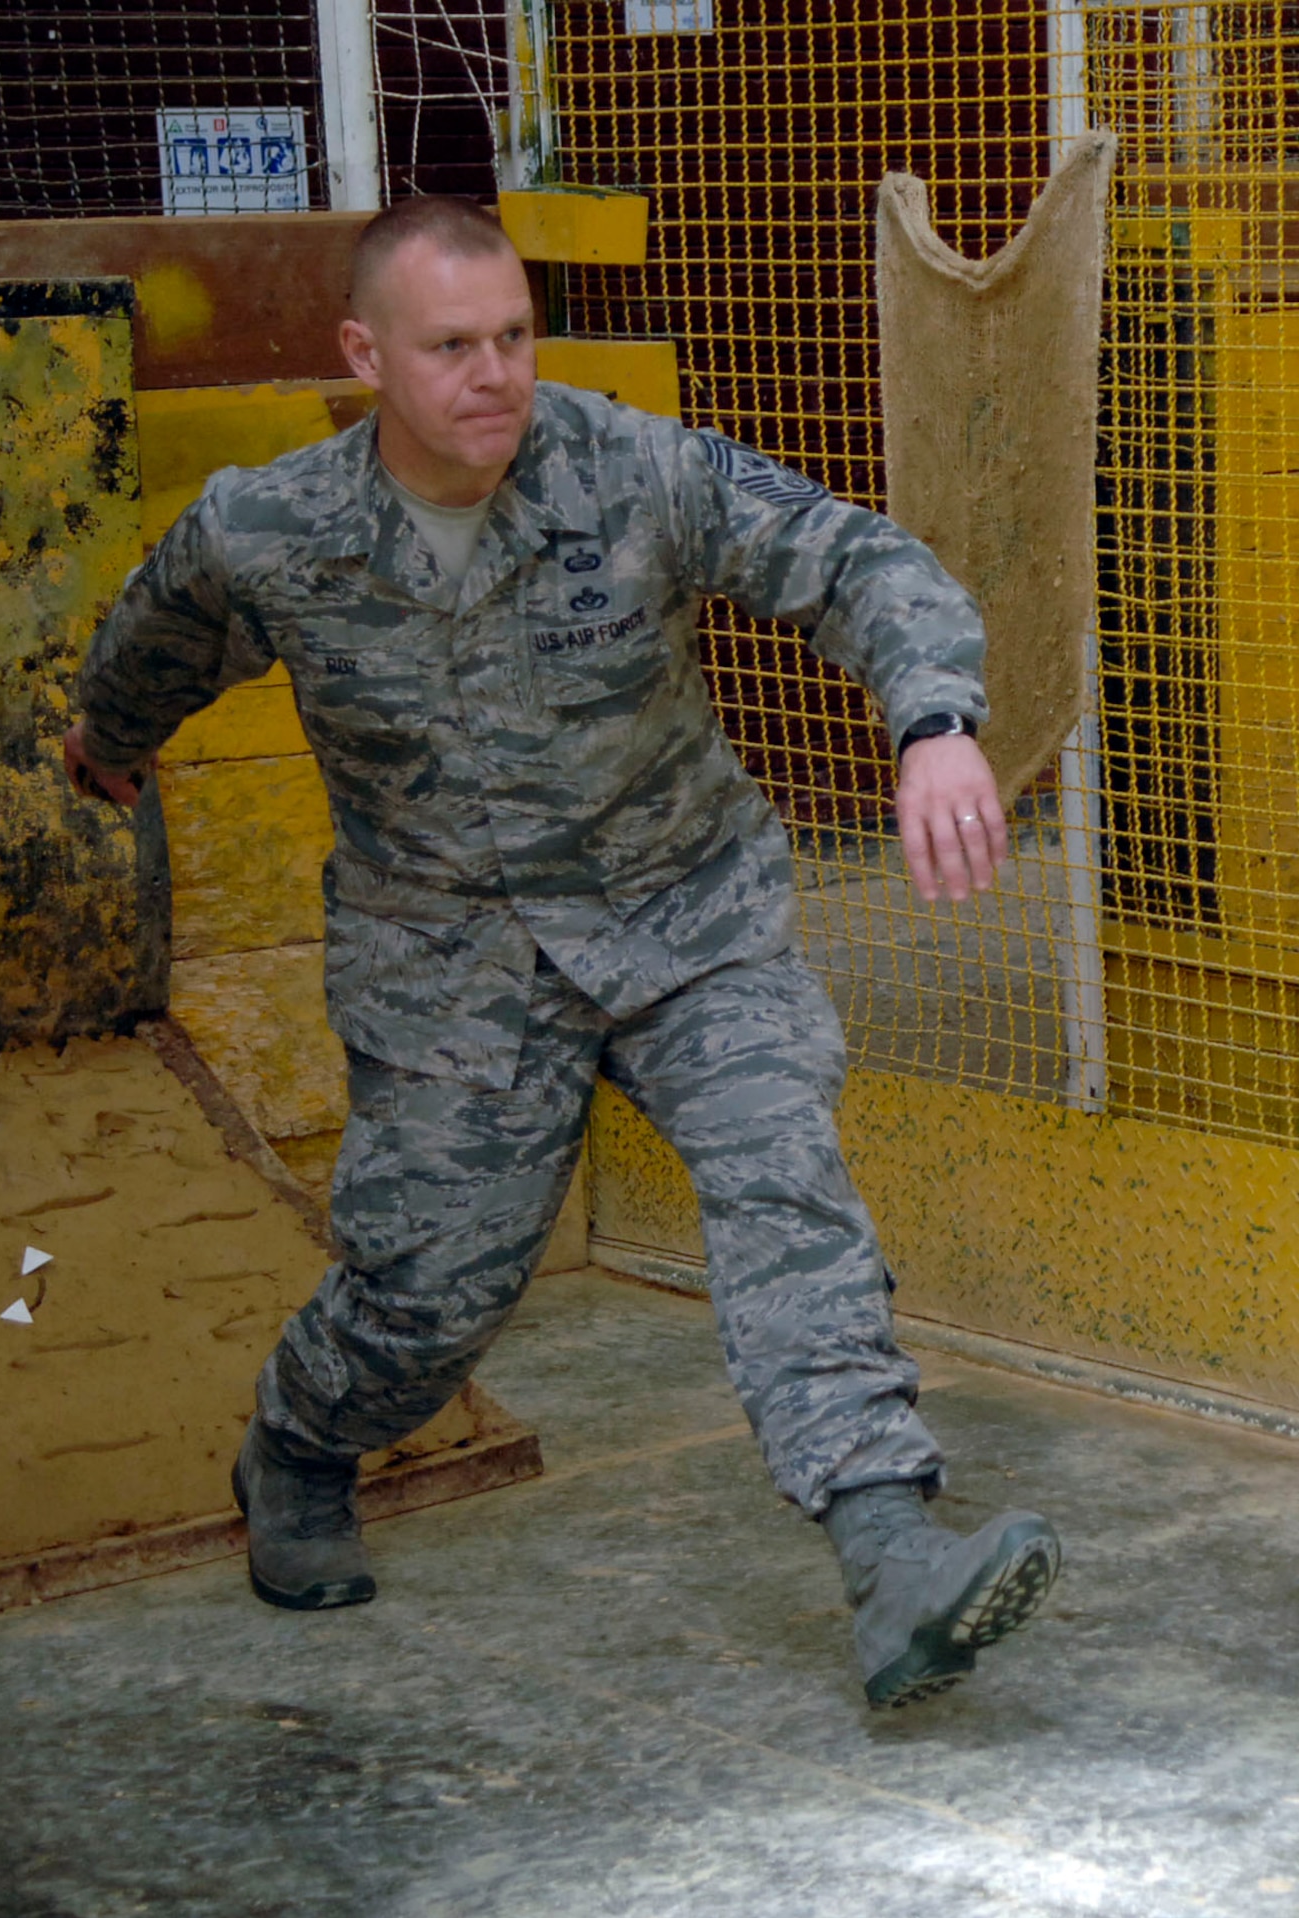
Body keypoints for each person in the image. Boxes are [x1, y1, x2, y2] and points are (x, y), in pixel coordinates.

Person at [66, 195, 1059, 1710]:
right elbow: (152, 642)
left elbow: (848, 557)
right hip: (447, 956)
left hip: (685, 917)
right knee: (432, 1293)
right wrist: (105, 747)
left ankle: (888, 1551)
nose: (494, 375)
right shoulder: (273, 529)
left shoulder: (632, 467)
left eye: (515, 336)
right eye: (451, 345)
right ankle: (300, 1443)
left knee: (779, 1176)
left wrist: (932, 722)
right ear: (365, 355)